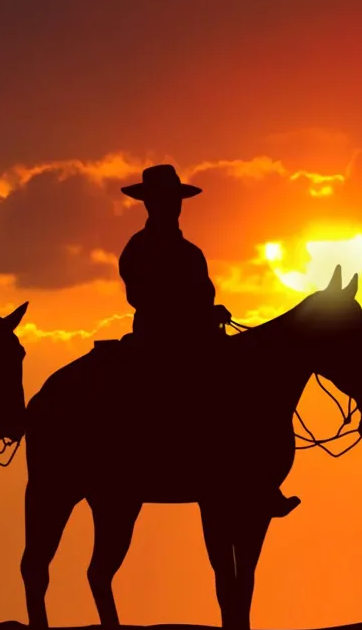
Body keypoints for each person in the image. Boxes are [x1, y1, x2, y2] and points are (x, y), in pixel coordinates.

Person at [117, 164, 300, 519]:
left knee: (246, 383)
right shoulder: (138, 249)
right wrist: (196, 315)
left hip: (197, 338)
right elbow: (144, 297)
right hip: (159, 340)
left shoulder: (191, 253)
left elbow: (200, 295)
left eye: (174, 200)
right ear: (149, 204)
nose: (171, 206)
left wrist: (210, 312)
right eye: (163, 200)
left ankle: (255, 472)